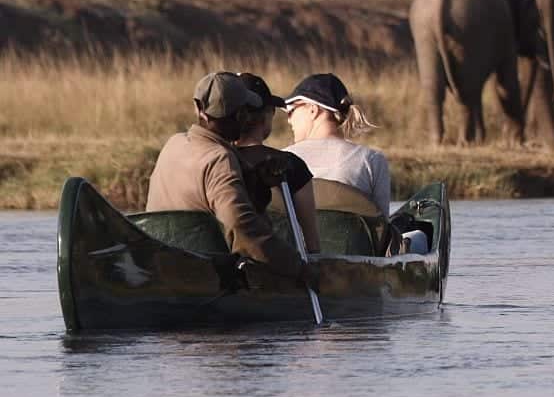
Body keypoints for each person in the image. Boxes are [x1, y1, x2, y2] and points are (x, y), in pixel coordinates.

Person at [146, 72, 315, 285]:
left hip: (163, 269)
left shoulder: (174, 144)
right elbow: (241, 228)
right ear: (241, 117)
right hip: (203, 280)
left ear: (199, 109)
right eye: (244, 113)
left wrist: (256, 184)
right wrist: (298, 267)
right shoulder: (219, 159)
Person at [233, 72, 321, 253]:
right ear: (267, 115)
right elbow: (312, 246)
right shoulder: (291, 165)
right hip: (278, 273)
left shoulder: (215, 162)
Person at [283, 73, 392, 215]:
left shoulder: (280, 160)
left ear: (312, 110)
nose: (289, 120)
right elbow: (382, 228)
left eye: (291, 111)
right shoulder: (372, 161)